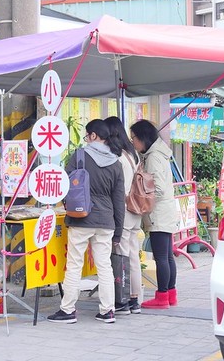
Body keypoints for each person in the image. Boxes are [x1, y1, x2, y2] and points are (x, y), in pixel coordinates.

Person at [47, 119, 125, 324]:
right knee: (104, 266)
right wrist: (118, 230)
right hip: (106, 221)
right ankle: (108, 311)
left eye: (87, 135)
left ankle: (68, 310)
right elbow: (119, 200)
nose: (86, 139)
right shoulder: (116, 163)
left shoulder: (79, 156)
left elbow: (64, 184)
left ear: (93, 136)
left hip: (81, 218)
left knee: (74, 264)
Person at [129, 119, 179, 309]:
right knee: (166, 256)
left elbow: (156, 188)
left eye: (133, 138)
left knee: (161, 257)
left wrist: (144, 204)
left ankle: (162, 297)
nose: (132, 142)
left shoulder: (153, 158)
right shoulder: (159, 154)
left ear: (143, 138)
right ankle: (170, 294)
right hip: (165, 210)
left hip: (158, 212)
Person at [104, 116, 142, 315]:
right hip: (135, 211)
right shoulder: (132, 153)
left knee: (121, 255)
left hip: (124, 210)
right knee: (133, 254)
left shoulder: (117, 157)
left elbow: (119, 190)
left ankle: (123, 300)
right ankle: (135, 298)